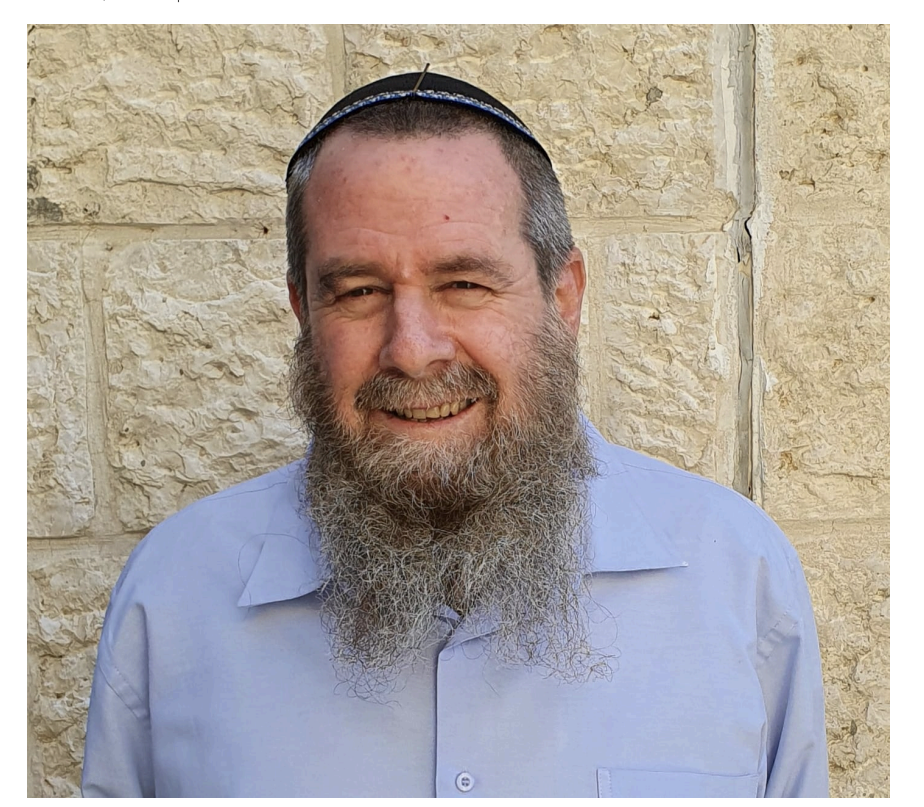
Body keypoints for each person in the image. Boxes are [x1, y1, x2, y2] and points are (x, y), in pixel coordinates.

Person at [81, 71, 829, 797]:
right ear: (303, 311)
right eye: (361, 292)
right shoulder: (175, 596)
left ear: (562, 297)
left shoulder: (735, 577)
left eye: (464, 284)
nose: (412, 349)